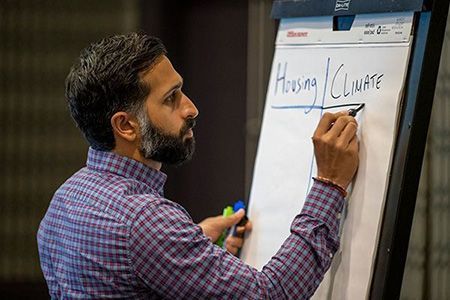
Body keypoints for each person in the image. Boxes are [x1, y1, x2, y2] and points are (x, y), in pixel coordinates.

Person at [37, 33, 359, 299]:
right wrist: (329, 184)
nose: (191, 108)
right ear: (126, 126)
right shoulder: (145, 222)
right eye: (171, 98)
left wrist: (194, 253)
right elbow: (270, 295)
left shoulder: (65, 199)